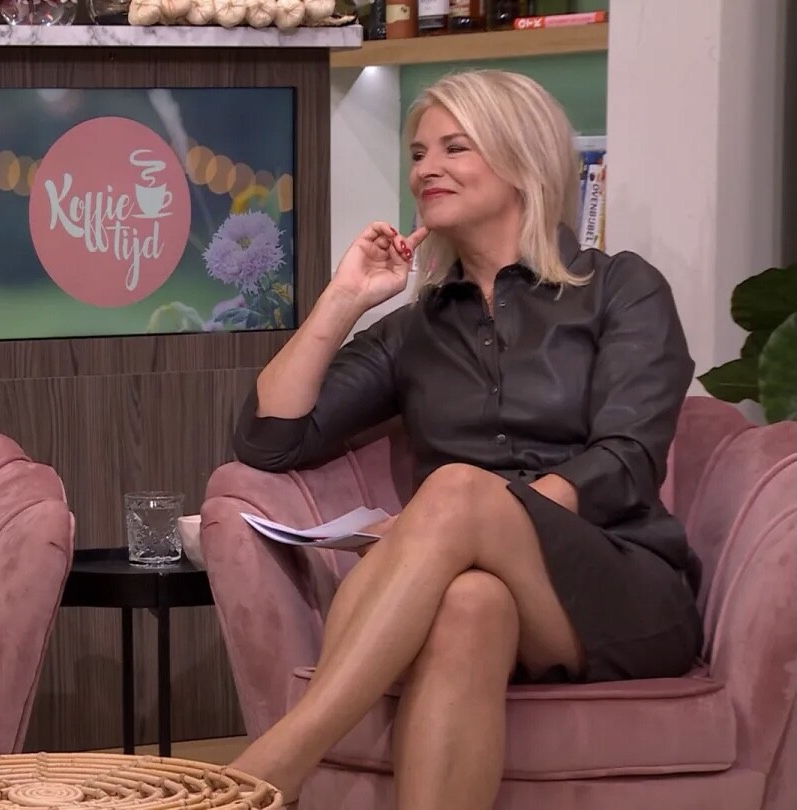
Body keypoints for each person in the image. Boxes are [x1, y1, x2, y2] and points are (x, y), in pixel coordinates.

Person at [230, 69, 703, 810]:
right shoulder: (416, 328)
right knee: (468, 603)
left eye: (455, 148)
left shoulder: (620, 289)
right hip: (486, 587)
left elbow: (627, 460)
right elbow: (270, 439)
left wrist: (470, 514)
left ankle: (274, 764)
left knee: (454, 490)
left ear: (521, 158)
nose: (426, 169)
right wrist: (344, 298)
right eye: (418, 153)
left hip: (623, 584)